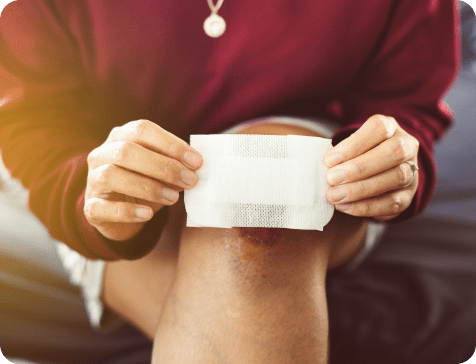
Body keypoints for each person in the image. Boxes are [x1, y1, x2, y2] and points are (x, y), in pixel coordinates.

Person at [0, 0, 465, 363]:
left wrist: (394, 161)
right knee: (242, 324)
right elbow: (32, 120)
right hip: (103, 160)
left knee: (255, 230)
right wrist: (88, 191)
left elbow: (407, 100)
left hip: (321, 144)